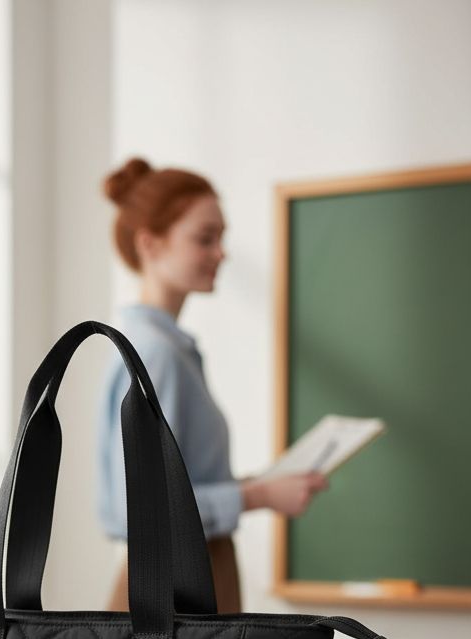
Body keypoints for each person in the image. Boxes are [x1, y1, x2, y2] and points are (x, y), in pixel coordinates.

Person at [97, 157, 328, 613]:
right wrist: (259, 495)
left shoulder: (171, 349)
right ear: (150, 244)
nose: (220, 253)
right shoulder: (155, 353)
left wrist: (259, 484)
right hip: (175, 587)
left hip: (193, 575)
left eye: (221, 238)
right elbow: (137, 512)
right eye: (205, 239)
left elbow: (178, 486)